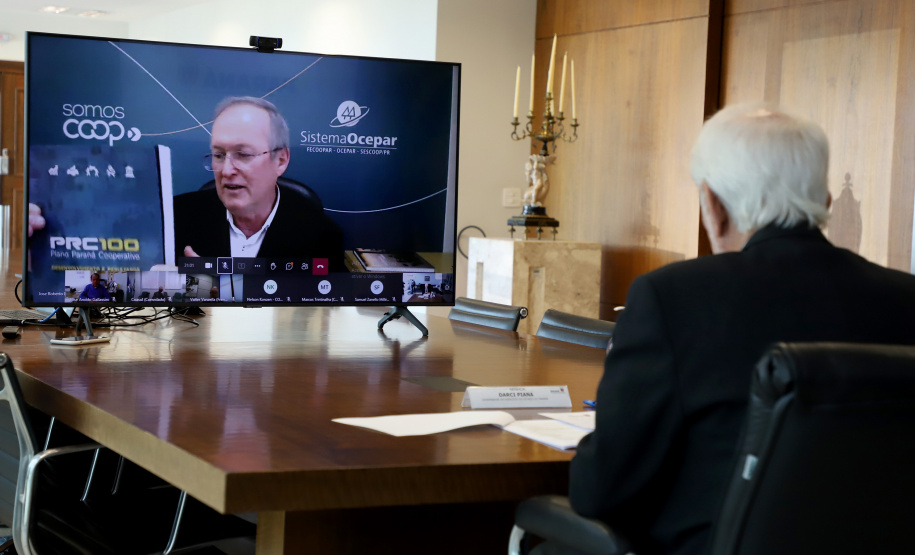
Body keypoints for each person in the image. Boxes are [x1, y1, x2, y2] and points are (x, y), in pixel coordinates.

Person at [568, 103, 915, 555]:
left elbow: (600, 490)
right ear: (824, 203)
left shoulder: (672, 297)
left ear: (711, 205)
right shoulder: (906, 300)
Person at [172, 96, 345, 271]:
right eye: (219, 155)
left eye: (243, 154)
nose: (226, 170)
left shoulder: (323, 238)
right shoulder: (176, 218)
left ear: (280, 161)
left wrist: (213, 286)